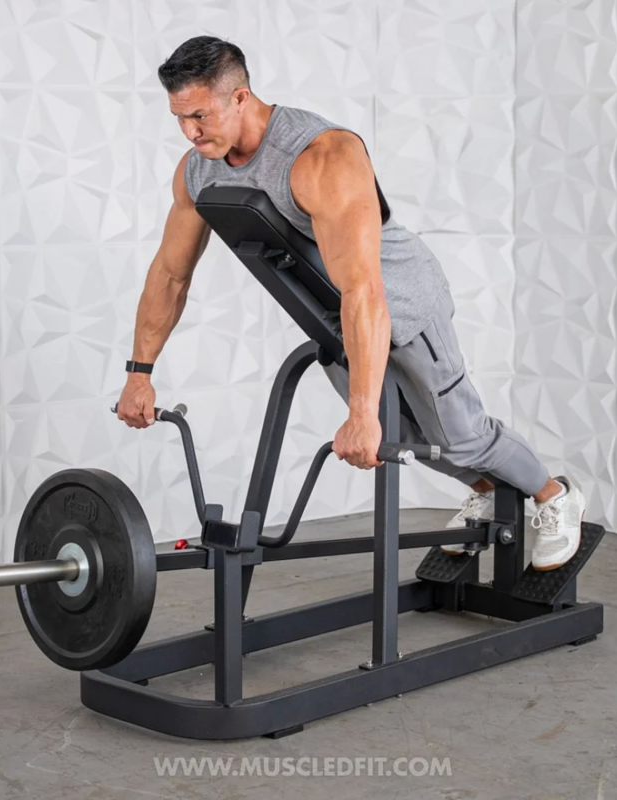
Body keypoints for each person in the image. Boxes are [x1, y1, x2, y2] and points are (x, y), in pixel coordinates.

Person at [116, 36, 585, 571]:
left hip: (401, 305)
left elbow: (365, 286)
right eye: (180, 118)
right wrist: (139, 372)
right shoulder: (199, 170)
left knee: (460, 436)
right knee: (401, 437)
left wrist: (360, 413)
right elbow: (170, 274)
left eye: (200, 116)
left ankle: (554, 495)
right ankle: (488, 492)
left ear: (240, 97)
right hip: (333, 316)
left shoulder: (321, 156)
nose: (190, 132)